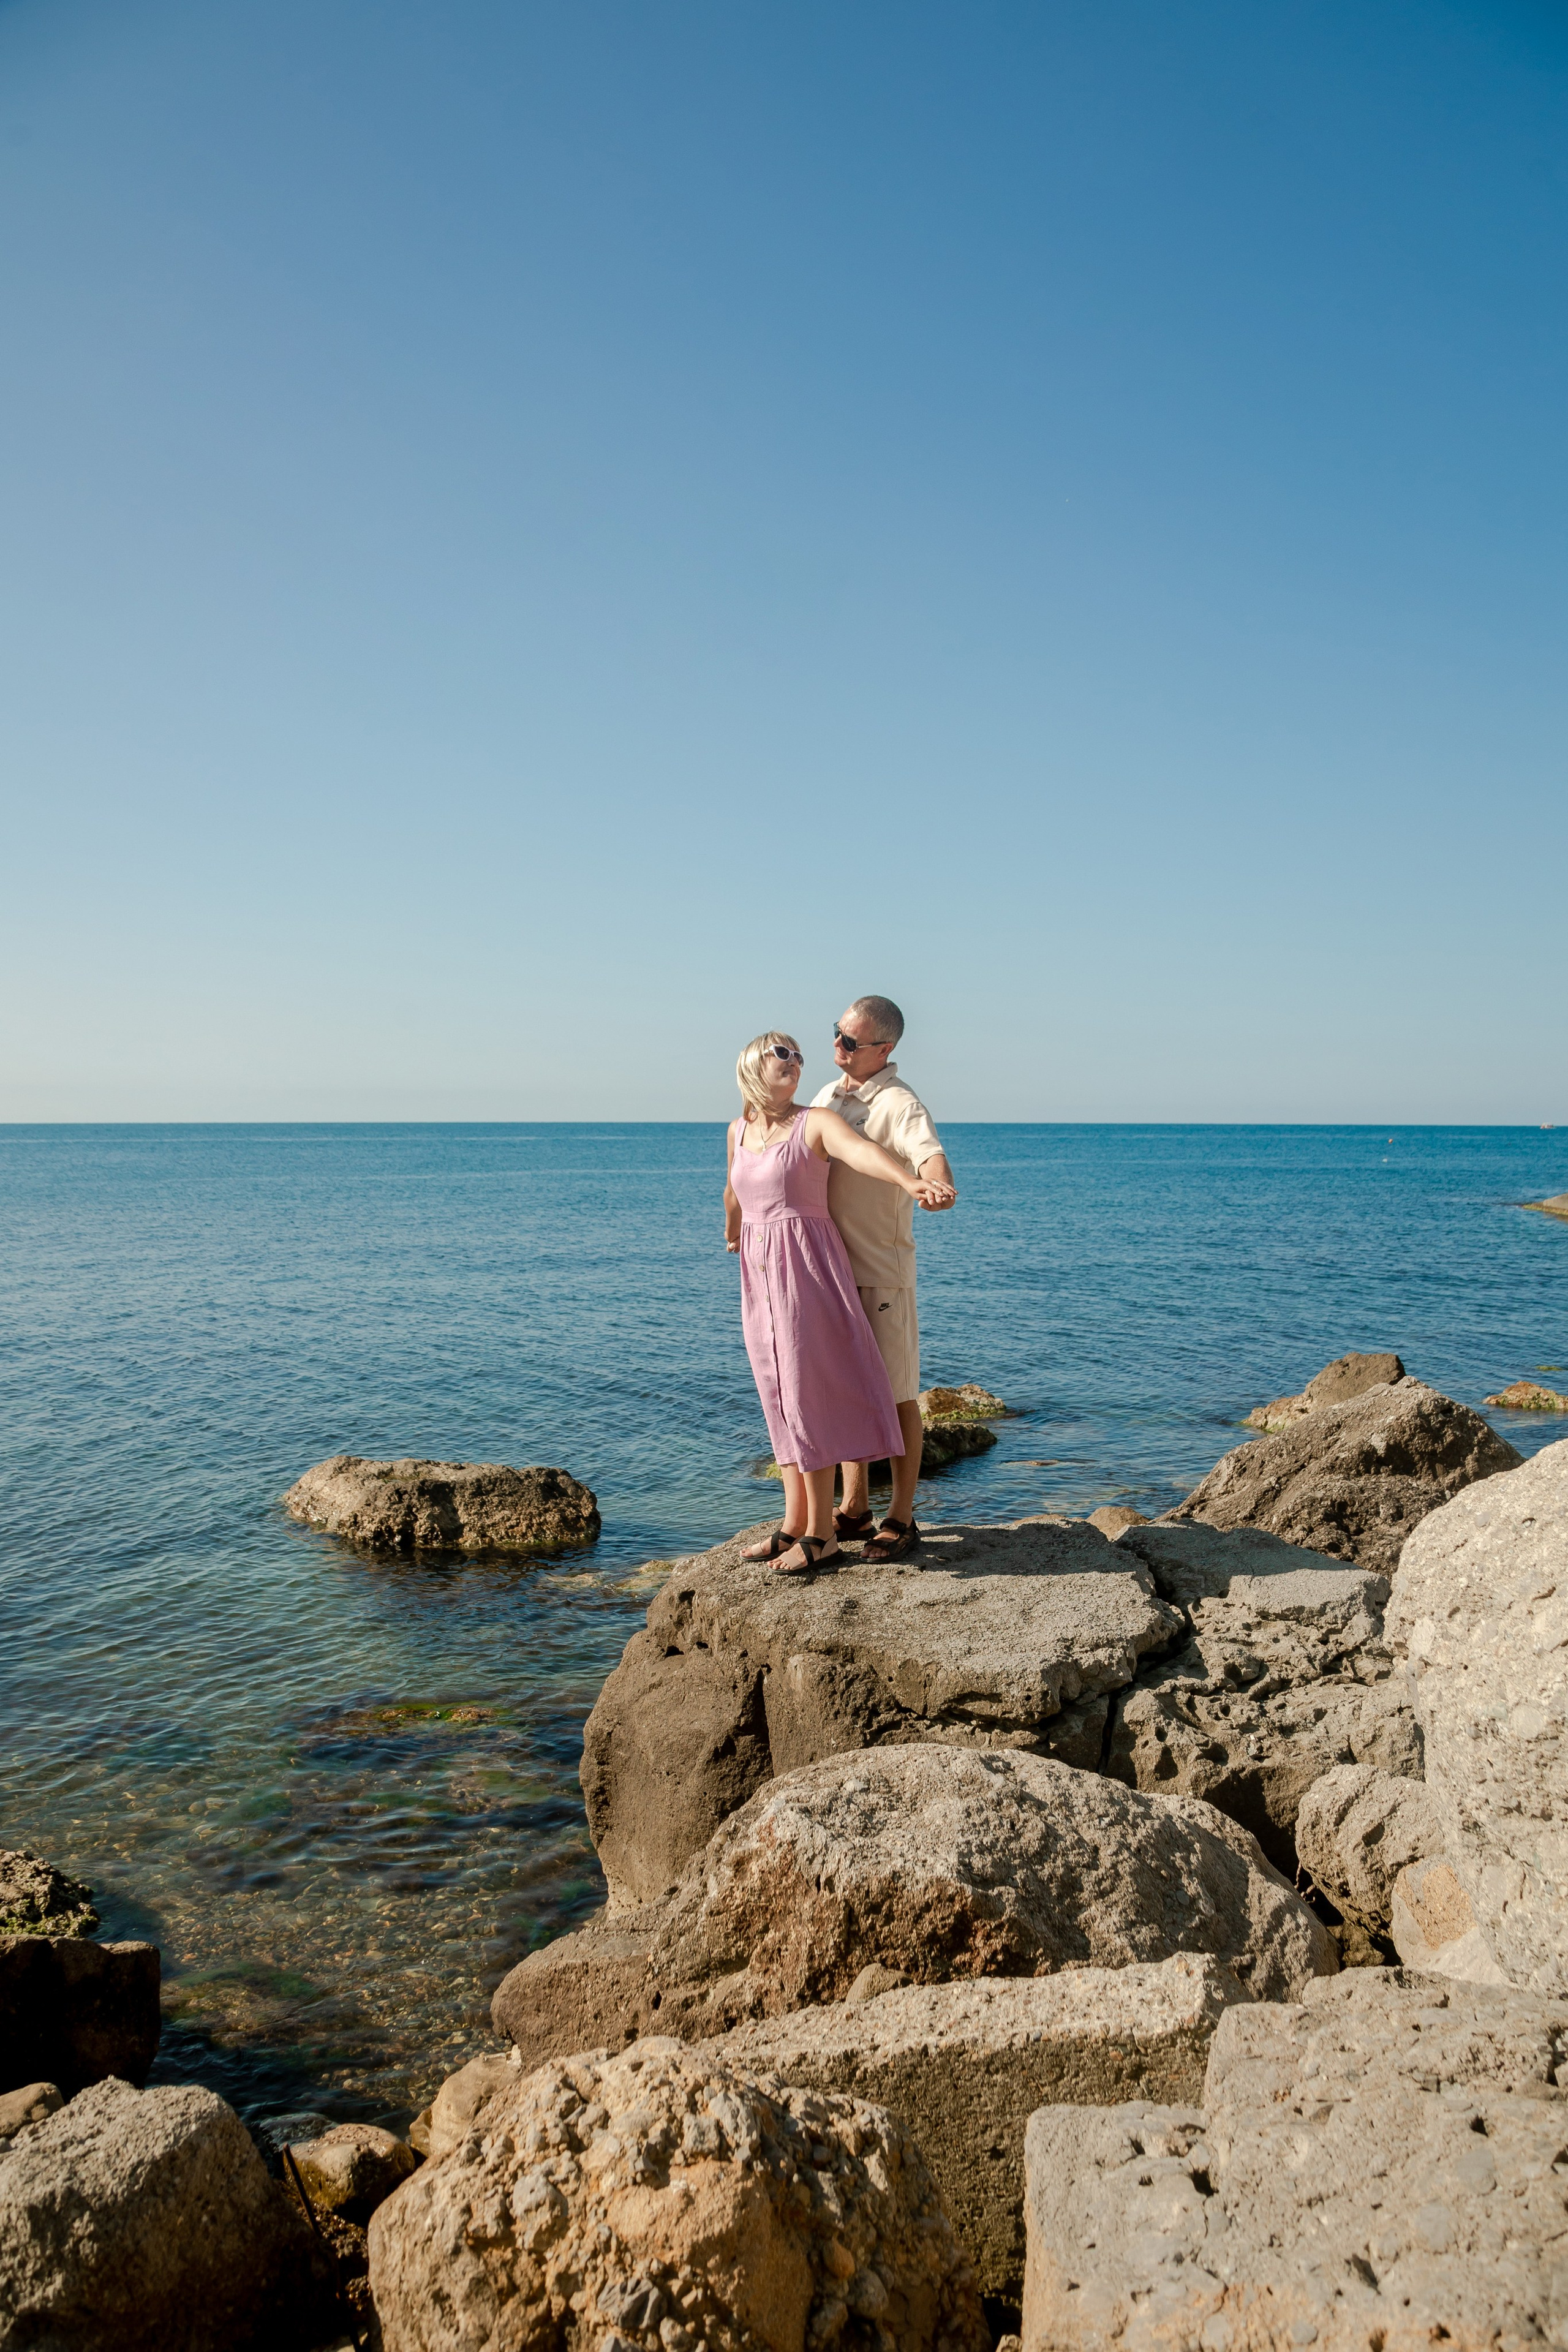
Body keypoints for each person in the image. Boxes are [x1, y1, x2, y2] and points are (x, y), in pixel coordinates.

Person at [725, 1031, 956, 1574]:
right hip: (758, 1273)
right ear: (752, 1063)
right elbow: (733, 1189)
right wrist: (733, 1231)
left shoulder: (817, 1120)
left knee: (808, 1394)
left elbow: (863, 1152)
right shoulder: (739, 1128)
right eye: (784, 1053)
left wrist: (911, 1182)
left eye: (798, 1056)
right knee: (777, 1394)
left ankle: (823, 1535)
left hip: (806, 1266)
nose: (798, 1061)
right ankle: (794, 1524)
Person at [810, 995, 957, 1560]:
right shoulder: (827, 1096)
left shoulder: (900, 1103)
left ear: (884, 1048)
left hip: (880, 1273)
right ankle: (854, 1509)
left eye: (850, 1041)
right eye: (837, 1033)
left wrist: (936, 1186)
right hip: (828, 1272)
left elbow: (930, 1157)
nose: (837, 1046)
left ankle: (901, 1515)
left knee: (897, 1396)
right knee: (847, 1391)